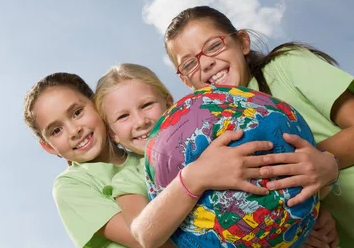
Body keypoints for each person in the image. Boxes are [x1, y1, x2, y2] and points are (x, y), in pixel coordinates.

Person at [147, 5, 352, 247]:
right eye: (190, 64)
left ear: (243, 42)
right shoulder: (207, 134)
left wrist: (325, 160)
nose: (206, 64)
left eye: (214, 46)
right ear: (185, 80)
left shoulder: (284, 66)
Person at [94, 63, 290, 248]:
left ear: (169, 102)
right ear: (113, 134)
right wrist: (194, 178)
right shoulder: (128, 179)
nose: (140, 121)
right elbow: (144, 235)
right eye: (123, 116)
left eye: (146, 105)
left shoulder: (208, 137)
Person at [23, 72, 158, 248]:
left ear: (97, 105)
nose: (74, 131)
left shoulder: (144, 154)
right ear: (49, 147)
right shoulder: (71, 185)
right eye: (56, 130)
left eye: (77, 112)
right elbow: (144, 240)